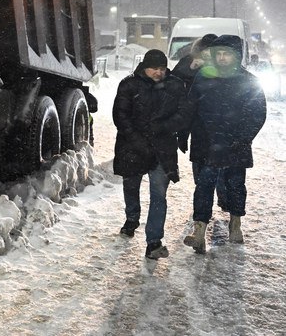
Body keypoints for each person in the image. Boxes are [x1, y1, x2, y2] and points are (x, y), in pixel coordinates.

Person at [182, 34, 267, 254]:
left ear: (236, 56)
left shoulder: (248, 81)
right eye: (217, 53)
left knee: (236, 187)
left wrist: (242, 138)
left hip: (235, 147)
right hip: (206, 144)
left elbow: (257, 115)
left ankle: (235, 224)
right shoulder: (203, 77)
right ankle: (199, 231)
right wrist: (183, 133)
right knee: (203, 188)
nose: (221, 58)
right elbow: (190, 108)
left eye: (226, 54)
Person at [112, 48, 186, 260]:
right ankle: (132, 218)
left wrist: (164, 127)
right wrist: (136, 139)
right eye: (154, 68)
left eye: (162, 68)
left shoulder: (174, 86)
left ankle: (153, 241)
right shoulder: (129, 85)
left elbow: (184, 114)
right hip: (133, 147)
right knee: (131, 185)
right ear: (145, 68)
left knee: (158, 195)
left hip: (162, 149)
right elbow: (121, 116)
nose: (158, 73)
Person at [172, 33, 228, 210]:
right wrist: (192, 69)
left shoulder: (225, 67)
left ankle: (221, 196)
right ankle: (203, 202)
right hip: (196, 124)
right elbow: (173, 82)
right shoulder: (189, 62)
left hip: (221, 125)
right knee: (200, 166)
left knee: (219, 165)